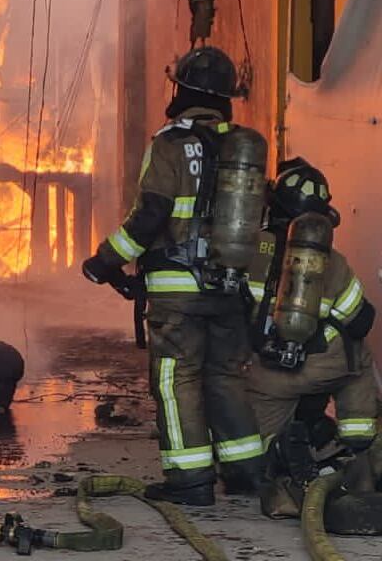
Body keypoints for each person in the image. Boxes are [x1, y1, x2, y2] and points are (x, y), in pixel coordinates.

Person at [82, 46, 265, 506]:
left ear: (181, 89)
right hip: (229, 289)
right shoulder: (240, 145)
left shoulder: (169, 145)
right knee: (225, 377)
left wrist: (105, 261)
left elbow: (151, 215)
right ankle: (246, 474)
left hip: (178, 294)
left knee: (175, 380)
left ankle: (190, 482)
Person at [246, 159, 377, 456]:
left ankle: (277, 454)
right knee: (357, 357)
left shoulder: (248, 248)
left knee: (259, 450)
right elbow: (361, 321)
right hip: (323, 366)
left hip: (269, 374)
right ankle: (357, 444)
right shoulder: (331, 259)